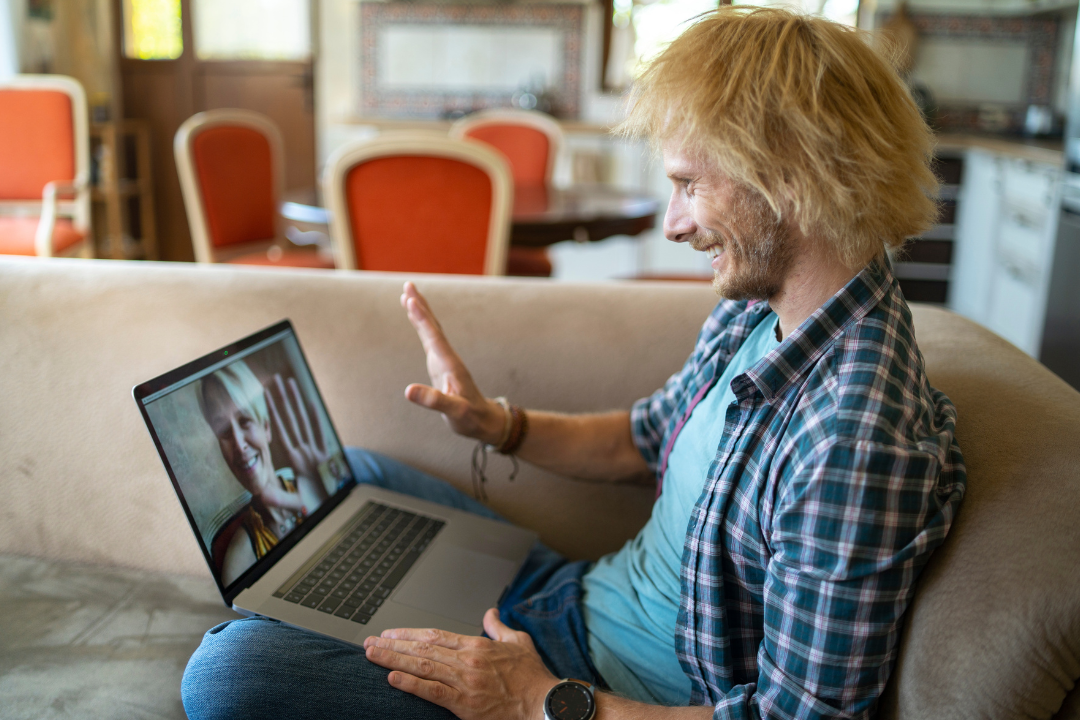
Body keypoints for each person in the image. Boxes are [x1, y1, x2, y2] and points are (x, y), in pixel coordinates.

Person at [181, 7, 966, 720]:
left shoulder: (855, 437)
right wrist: (501, 425)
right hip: (569, 595)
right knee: (346, 474)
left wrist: (538, 703)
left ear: (788, 176)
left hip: (588, 682)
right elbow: (644, 438)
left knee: (228, 673)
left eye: (689, 185)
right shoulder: (764, 309)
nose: (675, 223)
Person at [200, 363, 332, 585]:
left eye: (245, 421)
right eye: (223, 430)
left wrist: (325, 506)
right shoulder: (238, 563)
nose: (239, 445)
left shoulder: (313, 484)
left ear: (267, 428)